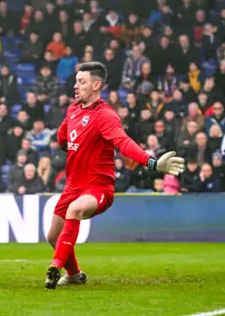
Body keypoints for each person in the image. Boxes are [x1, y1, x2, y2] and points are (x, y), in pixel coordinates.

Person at [45, 61, 185, 289]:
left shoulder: (105, 115)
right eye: (76, 81)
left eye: (81, 82)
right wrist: (67, 141)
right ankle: (74, 275)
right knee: (53, 237)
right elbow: (63, 139)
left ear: (96, 85)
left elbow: (123, 142)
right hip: (72, 186)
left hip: (97, 187)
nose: (76, 86)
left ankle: (55, 267)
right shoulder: (73, 109)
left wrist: (152, 162)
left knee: (75, 210)